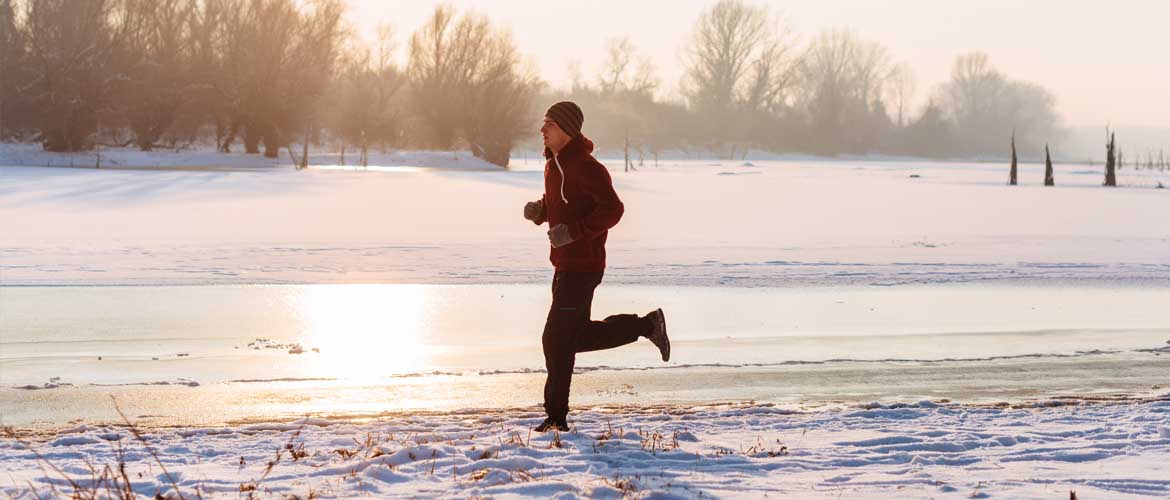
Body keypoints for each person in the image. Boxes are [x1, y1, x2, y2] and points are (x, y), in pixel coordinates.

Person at [523, 101, 670, 433]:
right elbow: (565, 202)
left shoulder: (587, 167)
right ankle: (648, 325)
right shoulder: (554, 165)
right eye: (543, 123)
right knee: (572, 337)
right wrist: (541, 211)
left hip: (583, 266)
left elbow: (613, 210)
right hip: (564, 265)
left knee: (555, 339)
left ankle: (556, 417)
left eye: (549, 124)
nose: (542, 129)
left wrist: (573, 233)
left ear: (567, 130)